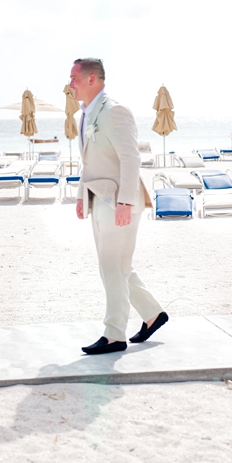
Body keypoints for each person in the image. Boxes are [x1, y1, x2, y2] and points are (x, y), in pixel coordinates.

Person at [70, 58, 168, 355]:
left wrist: (125, 201)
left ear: (91, 80)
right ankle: (152, 314)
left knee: (112, 267)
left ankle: (114, 335)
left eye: (74, 77)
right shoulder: (83, 115)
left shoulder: (114, 112)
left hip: (118, 202)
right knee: (117, 267)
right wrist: (79, 195)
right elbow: (88, 160)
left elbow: (131, 158)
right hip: (97, 198)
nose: (70, 83)